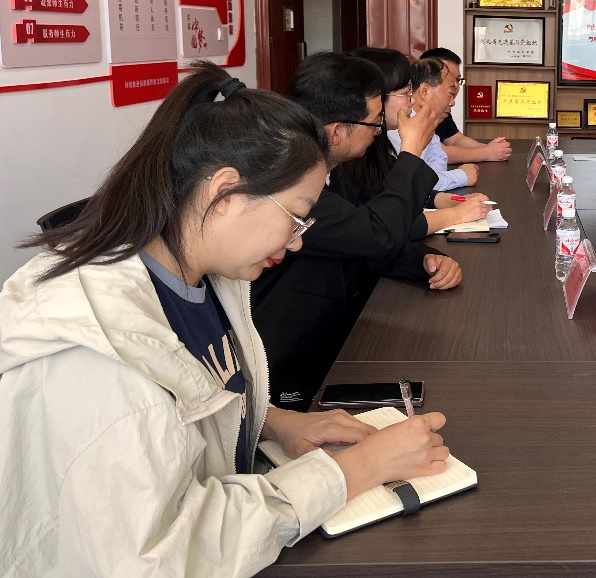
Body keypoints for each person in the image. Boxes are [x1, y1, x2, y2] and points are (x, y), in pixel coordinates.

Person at [0, 62, 449, 576]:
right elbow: (160, 559)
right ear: (223, 193)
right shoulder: (100, 365)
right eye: (295, 216)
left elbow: (195, 400)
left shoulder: (203, 275)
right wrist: (352, 471)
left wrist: (273, 422)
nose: (297, 241)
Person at [252, 52, 463, 410]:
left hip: (328, 334)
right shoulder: (292, 185)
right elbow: (375, 233)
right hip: (286, 361)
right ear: (336, 132)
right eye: (373, 122)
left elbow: (362, 233)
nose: (379, 130)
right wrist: (412, 151)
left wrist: (426, 260)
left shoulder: (330, 171)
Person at [348, 47, 491, 235]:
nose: (411, 102)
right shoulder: (354, 153)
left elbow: (392, 193)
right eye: (406, 93)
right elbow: (384, 225)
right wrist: (456, 214)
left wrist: (449, 201)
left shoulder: (379, 139)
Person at [388, 57, 479, 192]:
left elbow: (440, 159)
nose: (452, 102)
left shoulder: (427, 122)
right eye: (450, 94)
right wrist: (460, 176)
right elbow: (410, 182)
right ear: (424, 91)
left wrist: (429, 176)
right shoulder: (397, 126)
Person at [421, 47, 512, 164]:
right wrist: (486, 152)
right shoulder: (414, 112)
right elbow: (439, 154)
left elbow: (455, 139)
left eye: (457, 79)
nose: (455, 85)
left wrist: (490, 148)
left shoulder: (442, 108)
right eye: (450, 78)